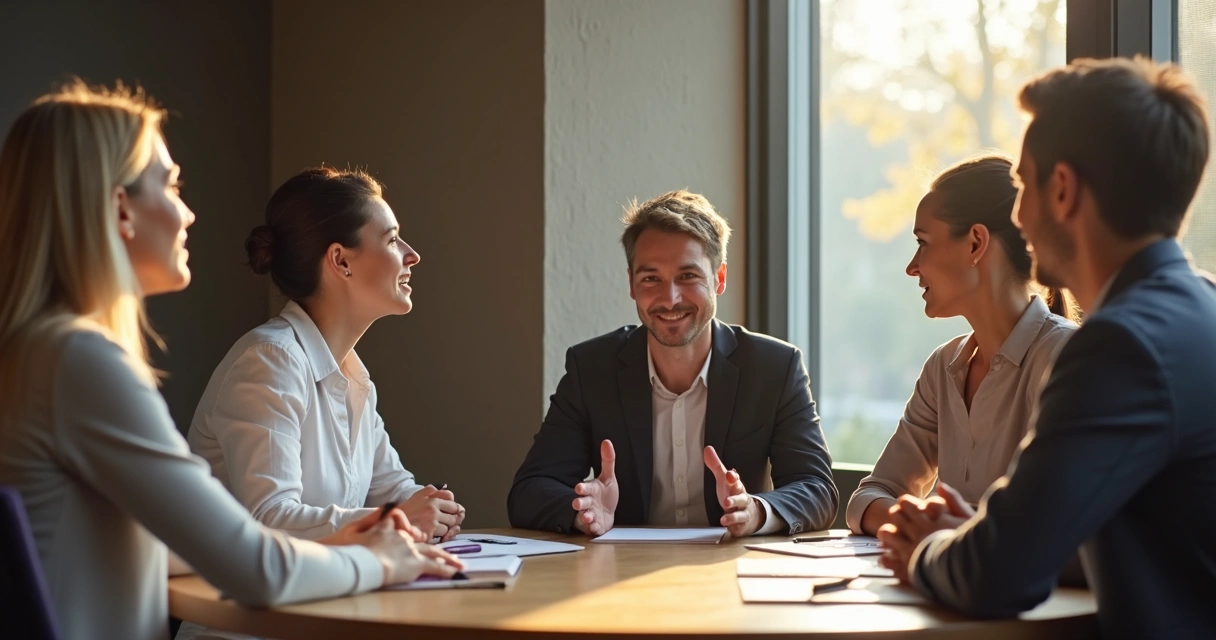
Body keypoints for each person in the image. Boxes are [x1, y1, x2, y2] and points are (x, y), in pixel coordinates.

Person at [0, 82, 460, 640]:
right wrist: (385, 557)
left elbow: (165, 547)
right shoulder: (80, 362)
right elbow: (255, 565)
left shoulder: (42, 355)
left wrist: (382, 527)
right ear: (120, 208)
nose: (188, 213)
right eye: (171, 186)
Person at [877, 57, 1216, 638]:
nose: (1017, 215)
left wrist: (928, 549)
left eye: (1023, 186)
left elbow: (997, 575)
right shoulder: (1201, 308)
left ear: (1061, 190)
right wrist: (983, 538)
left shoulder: (1117, 346)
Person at [508, 190, 837, 537]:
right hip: (620, 574)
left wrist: (755, 511)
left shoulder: (775, 367)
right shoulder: (591, 368)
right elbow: (529, 490)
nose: (670, 299)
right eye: (651, 278)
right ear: (632, 284)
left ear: (719, 278)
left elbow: (816, 488)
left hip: (729, 572)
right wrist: (583, 511)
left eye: (688, 276)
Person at [187, 167, 466, 544]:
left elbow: (393, 489)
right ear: (341, 261)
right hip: (243, 598)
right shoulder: (270, 360)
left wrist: (433, 507)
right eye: (392, 240)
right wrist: (400, 518)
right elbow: (270, 519)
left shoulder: (352, 375)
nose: (412, 255)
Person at [846, 154, 1077, 537]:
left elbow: (1055, 525)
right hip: (952, 585)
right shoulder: (943, 367)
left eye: (923, 242)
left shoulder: (1067, 359)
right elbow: (869, 497)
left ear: (975, 243)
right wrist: (932, 530)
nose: (912, 266)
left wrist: (945, 535)